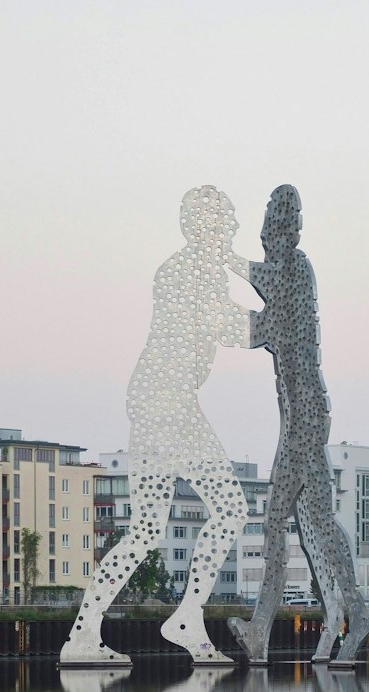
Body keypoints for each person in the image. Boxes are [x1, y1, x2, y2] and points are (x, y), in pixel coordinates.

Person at [61, 186, 253, 667]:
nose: (229, 231)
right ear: (202, 227)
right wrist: (284, 318)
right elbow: (231, 328)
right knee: (229, 508)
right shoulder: (189, 271)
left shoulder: (190, 268)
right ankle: (185, 616)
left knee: (146, 530)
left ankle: (84, 634)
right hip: (168, 406)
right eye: (223, 225)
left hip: (158, 402)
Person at [227, 185, 369, 666]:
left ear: (280, 228)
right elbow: (256, 328)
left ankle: (260, 629)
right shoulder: (288, 280)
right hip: (303, 417)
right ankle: (355, 610)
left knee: (274, 520)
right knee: (316, 522)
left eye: (273, 224)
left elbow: (259, 301)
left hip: (304, 420)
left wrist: (218, 259)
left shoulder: (293, 269)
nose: (269, 235)